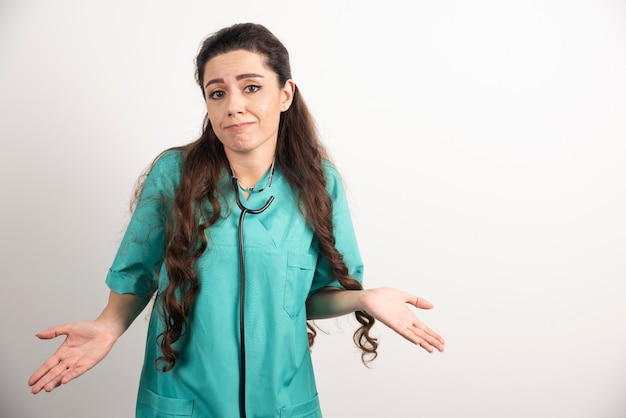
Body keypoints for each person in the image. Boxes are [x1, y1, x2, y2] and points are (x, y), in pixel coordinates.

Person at [28, 22, 445, 417]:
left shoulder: (320, 184)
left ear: (285, 94)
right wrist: (107, 327)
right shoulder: (174, 174)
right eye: (217, 93)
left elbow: (312, 295)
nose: (234, 106)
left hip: (284, 402)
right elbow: (136, 275)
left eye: (251, 87)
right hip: (181, 401)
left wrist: (363, 297)